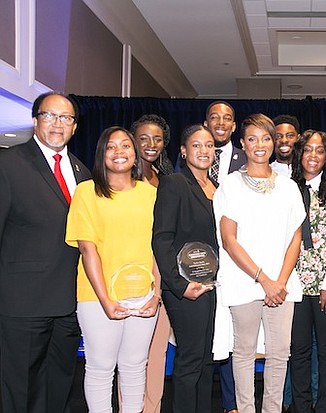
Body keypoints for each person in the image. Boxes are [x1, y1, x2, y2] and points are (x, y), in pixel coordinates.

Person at [0, 91, 91, 413]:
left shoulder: (83, 174)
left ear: (75, 127)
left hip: (68, 303)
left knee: (59, 385)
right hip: (22, 302)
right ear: (36, 119)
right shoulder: (8, 163)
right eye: (50, 116)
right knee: (20, 389)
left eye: (65, 118)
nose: (57, 124)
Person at [213, 113, 306, 413]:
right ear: (243, 143)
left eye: (266, 138)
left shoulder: (289, 187)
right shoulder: (230, 185)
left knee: (279, 354)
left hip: (282, 285)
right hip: (245, 282)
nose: (260, 145)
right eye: (252, 139)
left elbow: (295, 239)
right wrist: (263, 279)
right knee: (243, 353)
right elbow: (229, 240)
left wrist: (278, 282)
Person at [66, 126, 160, 412]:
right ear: (101, 154)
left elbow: (157, 247)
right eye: (111, 147)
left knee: (134, 367)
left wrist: (156, 294)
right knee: (100, 367)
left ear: (135, 153)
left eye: (125, 146)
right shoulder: (87, 192)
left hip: (143, 296)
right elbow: (87, 247)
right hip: (98, 296)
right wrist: (106, 299)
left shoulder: (151, 194)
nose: (119, 152)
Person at [152, 124, 219, 412]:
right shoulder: (175, 183)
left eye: (209, 146)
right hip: (186, 287)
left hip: (213, 284)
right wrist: (180, 286)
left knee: (206, 359)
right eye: (196, 145)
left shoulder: (218, 188)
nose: (204, 151)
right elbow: (161, 238)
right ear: (183, 150)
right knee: (190, 360)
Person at [290, 130, 326, 413]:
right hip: (293, 284)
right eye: (308, 150)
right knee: (298, 351)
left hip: (325, 286)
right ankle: (301, 406)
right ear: (299, 154)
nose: (313, 156)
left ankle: (325, 407)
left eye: (320, 151)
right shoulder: (286, 189)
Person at [129, 113, 175, 413]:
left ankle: (152, 408)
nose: (151, 144)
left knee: (157, 352)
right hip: (132, 274)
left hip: (164, 275)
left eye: (157, 138)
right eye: (144, 137)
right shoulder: (120, 179)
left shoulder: (168, 180)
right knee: (132, 357)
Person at [204, 100, 245, 413]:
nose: (220, 122)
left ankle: (233, 404)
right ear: (206, 123)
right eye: (214, 117)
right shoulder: (192, 158)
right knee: (206, 333)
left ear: (234, 126)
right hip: (200, 260)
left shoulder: (249, 160)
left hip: (237, 259)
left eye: (227, 118)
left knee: (233, 335)